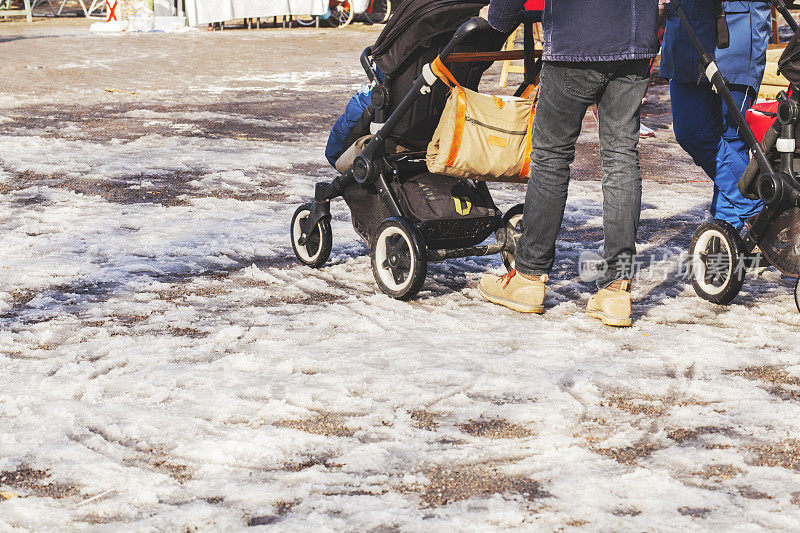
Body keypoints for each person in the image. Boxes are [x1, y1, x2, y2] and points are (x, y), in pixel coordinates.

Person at [477, 0, 660, 327]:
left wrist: (499, 19)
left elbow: (503, 13)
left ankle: (529, 279)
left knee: (551, 157)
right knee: (621, 157)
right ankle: (616, 291)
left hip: (577, 38)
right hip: (634, 39)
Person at [660, 0, 770, 230]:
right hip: (684, 30)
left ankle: (727, 232)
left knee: (733, 139)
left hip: (737, 28)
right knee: (690, 132)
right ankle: (760, 207)